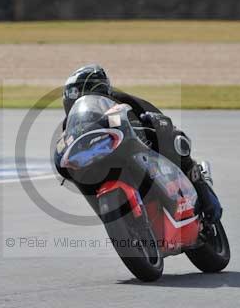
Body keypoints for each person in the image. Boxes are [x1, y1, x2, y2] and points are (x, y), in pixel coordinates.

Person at [61, 64, 222, 223]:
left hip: (138, 147)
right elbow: (62, 147)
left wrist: (154, 122)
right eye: (71, 92)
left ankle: (201, 187)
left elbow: (158, 116)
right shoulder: (70, 124)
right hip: (102, 161)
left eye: (77, 90)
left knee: (176, 140)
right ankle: (116, 217)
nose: (74, 96)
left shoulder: (122, 100)